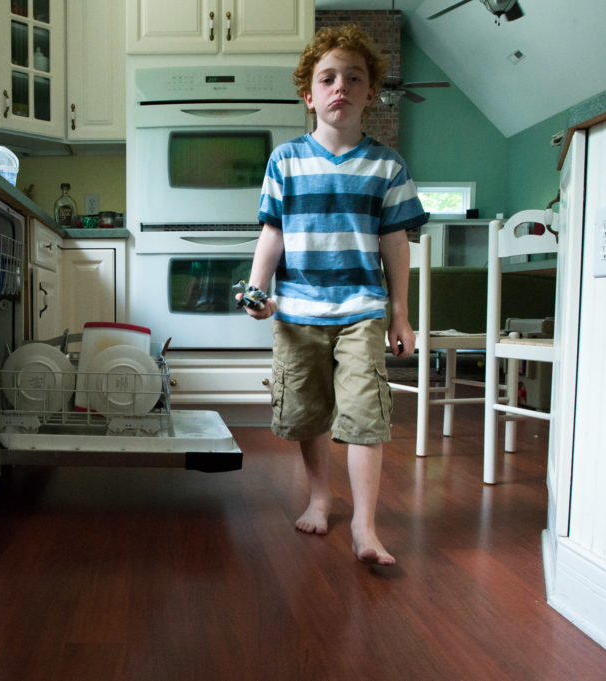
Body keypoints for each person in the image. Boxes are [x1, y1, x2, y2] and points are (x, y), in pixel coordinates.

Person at [239, 24, 426, 566]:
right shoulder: (286, 162)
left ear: (370, 93)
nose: (340, 86)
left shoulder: (388, 166)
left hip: (361, 313)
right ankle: (321, 497)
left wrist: (401, 315)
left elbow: (395, 243)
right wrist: (257, 290)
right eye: (328, 78)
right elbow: (272, 233)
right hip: (296, 313)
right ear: (309, 95)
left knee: (366, 414)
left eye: (354, 78)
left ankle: (365, 528)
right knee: (308, 411)